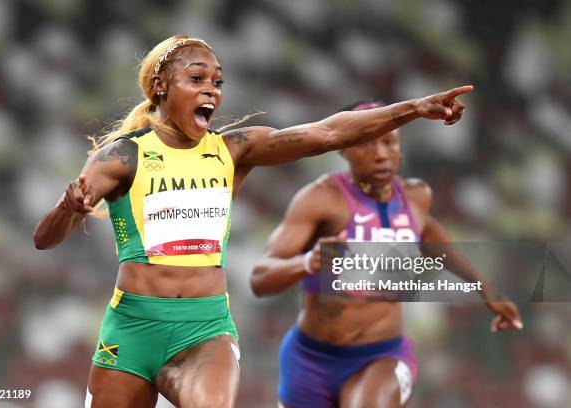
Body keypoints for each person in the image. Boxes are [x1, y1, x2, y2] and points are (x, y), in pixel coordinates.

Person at [32, 33, 472, 408]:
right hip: (130, 329)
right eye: (197, 79)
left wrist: (413, 108)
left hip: (204, 328)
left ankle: (181, 372)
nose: (212, 91)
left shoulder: (233, 150)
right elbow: (45, 241)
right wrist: (68, 209)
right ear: (162, 85)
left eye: (217, 82)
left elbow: (328, 133)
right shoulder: (123, 156)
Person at [250, 101, 524, 408]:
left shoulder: (416, 197)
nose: (381, 154)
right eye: (366, 143)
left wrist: (485, 288)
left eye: (390, 142)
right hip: (311, 360)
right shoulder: (319, 199)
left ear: (401, 149)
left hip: (382, 356)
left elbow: (431, 236)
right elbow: (261, 279)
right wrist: (307, 263)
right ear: (343, 148)